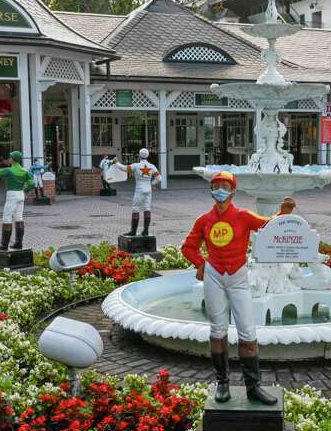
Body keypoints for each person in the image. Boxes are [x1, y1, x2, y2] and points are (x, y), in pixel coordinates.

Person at [180, 172, 296, 404]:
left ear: (233, 191)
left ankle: (253, 387)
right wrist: (201, 264)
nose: (219, 190)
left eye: (224, 186)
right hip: (214, 276)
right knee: (217, 331)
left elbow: (267, 225)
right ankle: (222, 383)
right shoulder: (204, 220)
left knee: (248, 332)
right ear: (211, 190)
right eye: (216, 186)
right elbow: (188, 246)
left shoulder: (243, 216)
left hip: (238, 276)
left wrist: (283, 213)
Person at [0, 151, 32, 250]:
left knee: (7, 218)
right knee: (19, 218)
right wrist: (24, 190)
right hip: (21, 194)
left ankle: (4, 245)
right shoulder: (25, 171)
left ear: (13, 160)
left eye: (10, 157)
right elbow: (32, 183)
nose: (9, 159)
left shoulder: (9, 170)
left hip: (12, 195)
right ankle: (18, 243)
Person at [111, 148, 161, 236]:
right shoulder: (152, 166)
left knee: (135, 209)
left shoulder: (136, 166)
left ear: (139, 155)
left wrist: (116, 162)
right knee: (147, 208)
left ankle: (133, 231)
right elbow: (159, 178)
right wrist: (152, 184)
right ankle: (146, 231)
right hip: (148, 189)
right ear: (148, 156)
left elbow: (124, 168)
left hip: (139, 189)